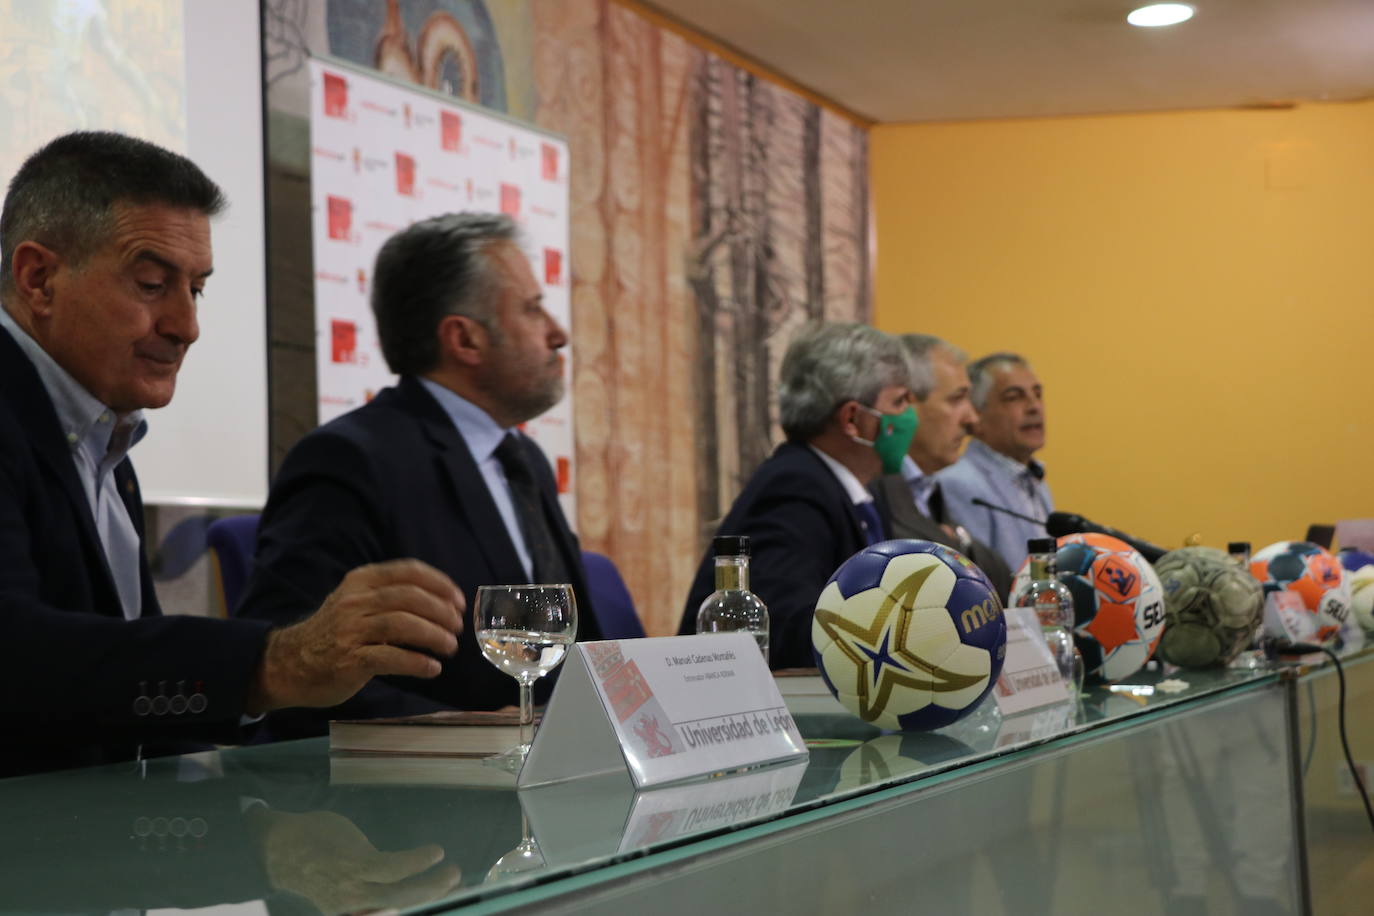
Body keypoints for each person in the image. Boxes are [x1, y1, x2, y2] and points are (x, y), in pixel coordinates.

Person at [0, 132, 463, 777]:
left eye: (196, 290)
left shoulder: (103, 438)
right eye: (152, 283)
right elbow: (16, 662)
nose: (186, 326)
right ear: (39, 278)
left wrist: (248, 831)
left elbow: (116, 713)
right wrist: (272, 664)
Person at [238, 212, 601, 737]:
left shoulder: (524, 460)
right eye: (533, 308)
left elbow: (570, 648)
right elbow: (286, 665)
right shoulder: (349, 459)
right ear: (464, 340)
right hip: (419, 798)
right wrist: (453, 731)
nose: (558, 334)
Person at [677, 322, 916, 668]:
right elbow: (788, 629)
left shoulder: (860, 492)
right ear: (853, 419)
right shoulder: (794, 487)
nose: (910, 415)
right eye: (900, 401)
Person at [869, 334, 1013, 602]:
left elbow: (1002, 580)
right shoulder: (873, 487)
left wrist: (959, 541)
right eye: (957, 399)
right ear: (906, 404)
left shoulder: (926, 487)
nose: (971, 419)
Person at [935, 352, 1053, 573]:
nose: (1034, 406)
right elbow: (978, 576)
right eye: (1014, 397)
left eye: (1037, 394)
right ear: (975, 414)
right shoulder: (959, 483)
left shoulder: (1034, 477)